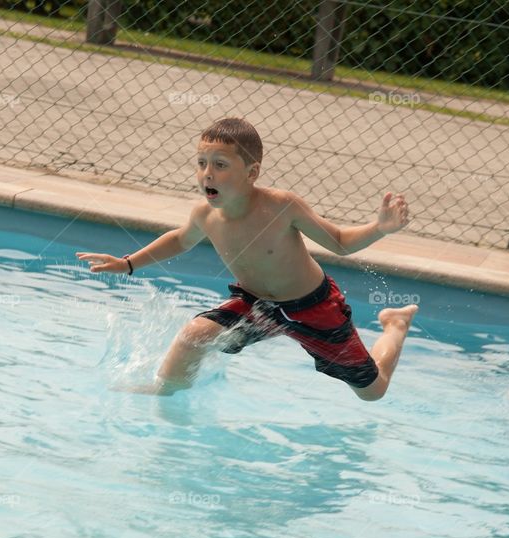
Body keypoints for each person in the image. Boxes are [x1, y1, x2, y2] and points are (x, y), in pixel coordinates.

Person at [76, 117, 417, 399]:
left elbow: (340, 242)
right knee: (194, 334)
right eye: (201, 164)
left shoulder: (281, 207)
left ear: (252, 173)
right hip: (256, 305)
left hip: (314, 308)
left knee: (372, 391)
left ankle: (395, 324)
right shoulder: (205, 216)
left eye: (220, 165)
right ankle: (167, 394)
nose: (207, 174)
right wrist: (129, 263)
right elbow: (180, 240)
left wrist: (380, 227)